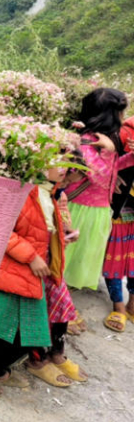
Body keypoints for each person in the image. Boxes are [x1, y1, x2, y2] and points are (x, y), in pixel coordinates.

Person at [0, 166, 87, 396]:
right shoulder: (23, 192)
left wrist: (62, 239)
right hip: (18, 269)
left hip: (32, 273)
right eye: (57, 163)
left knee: (5, 328)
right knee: (25, 334)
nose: (65, 169)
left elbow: (42, 232)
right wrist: (31, 257)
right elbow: (3, 229)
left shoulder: (48, 193)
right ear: (38, 163)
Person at [63, 90, 134, 316]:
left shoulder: (104, 141)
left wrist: (130, 156)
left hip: (97, 212)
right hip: (80, 212)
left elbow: (113, 169)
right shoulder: (88, 141)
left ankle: (63, 307)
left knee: (76, 263)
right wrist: (110, 151)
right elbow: (98, 174)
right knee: (64, 264)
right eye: (121, 113)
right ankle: (60, 312)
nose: (124, 119)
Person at [101, 115, 134, 332]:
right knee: (115, 255)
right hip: (122, 207)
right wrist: (114, 175)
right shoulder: (127, 129)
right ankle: (119, 306)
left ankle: (132, 304)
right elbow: (107, 157)